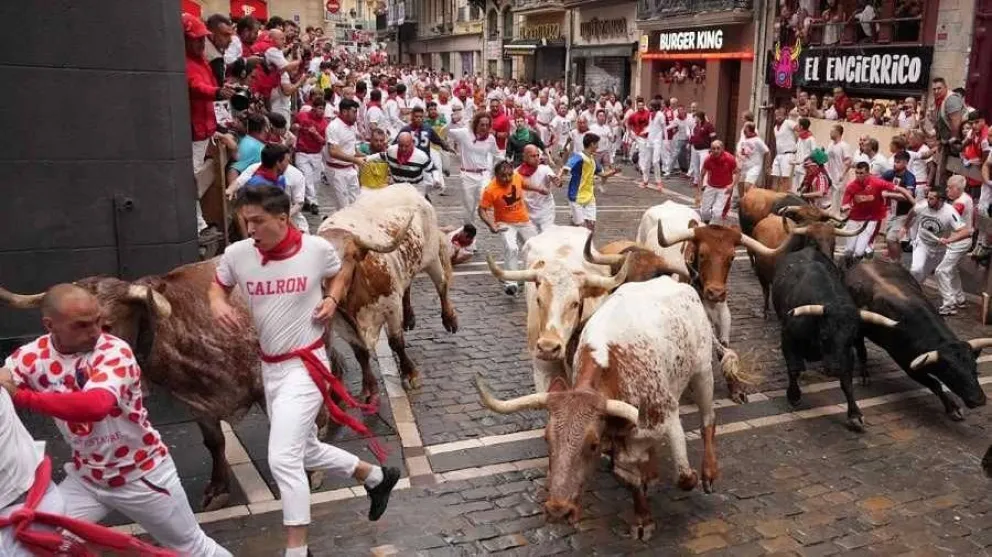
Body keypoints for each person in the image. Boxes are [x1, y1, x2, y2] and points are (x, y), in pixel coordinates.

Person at [210, 187, 400, 557]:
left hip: (307, 367)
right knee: (306, 450)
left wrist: (331, 297)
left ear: (283, 218)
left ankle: (297, 550)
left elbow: (340, 271)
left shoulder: (316, 250)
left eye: (258, 221)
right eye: (246, 221)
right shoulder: (238, 254)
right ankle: (376, 477)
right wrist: (218, 304)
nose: (250, 229)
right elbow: (218, 287)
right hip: (270, 368)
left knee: (283, 457)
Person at [2, 284, 232, 556]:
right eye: (81, 325)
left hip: (141, 477)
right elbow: (4, 381)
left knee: (192, 548)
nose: (95, 331)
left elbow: (96, 405)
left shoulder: (114, 350)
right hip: (88, 478)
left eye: (98, 320)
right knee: (37, 541)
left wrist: (22, 396)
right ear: (50, 325)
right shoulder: (31, 356)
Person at [185, 13, 234, 242]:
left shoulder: (201, 59)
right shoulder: (187, 61)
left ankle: (201, 223)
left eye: (201, 38)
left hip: (204, 126)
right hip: (196, 127)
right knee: (193, 176)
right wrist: (217, 92)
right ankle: (198, 226)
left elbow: (210, 84)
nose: (200, 42)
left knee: (197, 174)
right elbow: (196, 86)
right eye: (195, 39)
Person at [902, 183, 973, 315]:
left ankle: (950, 304)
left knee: (933, 273)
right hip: (922, 243)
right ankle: (909, 298)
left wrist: (950, 240)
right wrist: (905, 227)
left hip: (939, 249)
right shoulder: (922, 206)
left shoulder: (950, 212)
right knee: (916, 269)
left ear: (940, 200)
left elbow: (966, 231)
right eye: (928, 197)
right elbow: (912, 212)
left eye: (932, 198)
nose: (928, 200)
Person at [478, 160, 539, 295]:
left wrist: (539, 188)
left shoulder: (516, 177)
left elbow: (524, 183)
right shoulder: (490, 189)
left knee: (535, 247)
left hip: (524, 221)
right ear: (496, 175)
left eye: (509, 175)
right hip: (505, 223)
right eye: (503, 176)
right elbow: (481, 210)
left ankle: (529, 275)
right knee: (511, 248)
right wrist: (491, 225)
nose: (507, 178)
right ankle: (511, 283)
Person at [841, 162, 914, 262]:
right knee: (849, 251)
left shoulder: (877, 182)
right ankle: (846, 266)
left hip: (870, 220)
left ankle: (858, 261)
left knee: (858, 252)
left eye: (861, 173)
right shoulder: (851, 186)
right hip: (854, 220)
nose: (858, 175)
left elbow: (900, 189)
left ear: (868, 173)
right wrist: (846, 209)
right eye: (856, 173)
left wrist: (914, 202)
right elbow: (845, 204)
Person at [560, 133, 619, 231]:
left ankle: (574, 225)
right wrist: (559, 178)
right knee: (579, 229)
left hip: (590, 197)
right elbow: (566, 168)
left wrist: (614, 171)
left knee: (590, 228)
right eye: (597, 144)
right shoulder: (579, 157)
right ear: (592, 144)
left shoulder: (593, 160)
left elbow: (603, 174)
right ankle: (571, 229)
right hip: (576, 197)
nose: (598, 146)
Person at [365, 132, 435, 198]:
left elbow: (431, 171)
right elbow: (382, 156)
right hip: (397, 190)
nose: (403, 149)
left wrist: (424, 191)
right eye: (401, 146)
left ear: (412, 144)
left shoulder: (421, 156)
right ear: (397, 143)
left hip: (415, 192)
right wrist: (366, 159)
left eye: (406, 146)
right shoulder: (392, 151)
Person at [325, 98, 365, 210]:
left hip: (350, 169)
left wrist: (364, 156)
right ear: (344, 112)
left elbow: (352, 149)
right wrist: (355, 160)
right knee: (343, 206)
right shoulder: (334, 127)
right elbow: (333, 152)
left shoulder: (352, 126)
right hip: (337, 171)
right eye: (354, 112)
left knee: (356, 202)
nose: (356, 115)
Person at [294, 94, 329, 214]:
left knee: (316, 180)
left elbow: (324, 141)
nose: (322, 111)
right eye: (320, 108)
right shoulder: (302, 115)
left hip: (316, 154)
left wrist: (316, 134)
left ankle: (307, 201)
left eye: (323, 108)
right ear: (313, 108)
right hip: (302, 153)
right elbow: (293, 126)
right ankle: (314, 203)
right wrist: (295, 127)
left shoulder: (324, 123)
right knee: (307, 177)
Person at [881, 150, 918, 261]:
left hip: (904, 214)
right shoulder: (890, 173)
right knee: (890, 238)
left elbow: (908, 196)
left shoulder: (909, 177)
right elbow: (878, 183)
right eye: (895, 161)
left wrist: (889, 194)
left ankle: (896, 262)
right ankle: (895, 257)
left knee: (891, 239)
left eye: (898, 162)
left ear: (905, 163)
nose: (895, 164)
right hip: (892, 211)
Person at [517, 144, 559, 233]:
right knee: (532, 238)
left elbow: (555, 179)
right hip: (528, 212)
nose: (536, 158)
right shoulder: (517, 172)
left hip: (546, 210)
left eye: (537, 155)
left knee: (546, 235)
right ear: (524, 157)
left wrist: (557, 181)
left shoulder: (545, 169)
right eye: (532, 156)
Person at [699, 140, 739, 225]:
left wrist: (731, 185)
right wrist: (701, 188)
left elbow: (737, 173)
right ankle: (707, 223)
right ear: (711, 149)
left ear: (722, 149)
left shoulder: (730, 158)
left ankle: (713, 228)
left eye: (718, 148)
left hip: (724, 188)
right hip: (711, 186)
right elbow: (702, 174)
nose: (716, 150)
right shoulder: (708, 159)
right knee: (704, 212)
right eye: (713, 148)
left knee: (717, 212)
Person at [736, 121, 769, 196]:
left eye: (746, 130)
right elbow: (739, 151)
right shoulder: (743, 139)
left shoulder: (758, 140)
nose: (744, 132)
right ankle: (742, 201)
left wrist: (767, 166)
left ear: (751, 131)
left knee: (747, 186)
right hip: (744, 166)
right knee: (740, 185)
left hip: (754, 166)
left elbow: (767, 152)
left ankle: (758, 197)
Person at [826, 124, 853, 210]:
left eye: (832, 131)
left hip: (840, 178)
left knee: (839, 201)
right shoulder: (830, 144)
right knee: (831, 200)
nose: (830, 133)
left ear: (838, 132)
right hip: (831, 177)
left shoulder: (844, 145)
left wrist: (843, 174)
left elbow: (849, 161)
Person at [771, 107, 798, 193]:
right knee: (774, 176)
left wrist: (797, 142)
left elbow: (799, 129)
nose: (778, 117)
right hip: (779, 154)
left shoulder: (788, 123)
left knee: (785, 178)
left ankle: (783, 197)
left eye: (780, 115)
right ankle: (774, 196)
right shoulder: (775, 128)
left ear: (785, 116)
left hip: (788, 154)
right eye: (777, 115)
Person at [792, 118, 817, 193]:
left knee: (801, 189)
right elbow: (797, 149)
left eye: (798, 125)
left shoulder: (811, 138)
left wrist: (805, 160)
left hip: (804, 168)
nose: (797, 126)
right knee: (794, 188)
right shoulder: (800, 137)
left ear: (801, 126)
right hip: (797, 166)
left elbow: (814, 152)